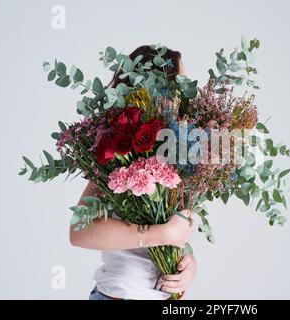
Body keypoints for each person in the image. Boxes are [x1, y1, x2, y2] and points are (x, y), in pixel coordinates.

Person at [70, 45, 197, 300]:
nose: (188, 93)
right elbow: (79, 232)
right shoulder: (117, 156)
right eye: (181, 82)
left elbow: (176, 231)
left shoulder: (179, 158)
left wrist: (189, 262)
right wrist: (159, 234)